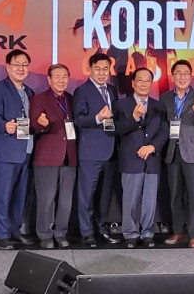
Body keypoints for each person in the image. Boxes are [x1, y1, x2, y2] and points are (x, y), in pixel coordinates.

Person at [0, 49, 36, 250]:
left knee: (20, 196)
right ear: (8, 67)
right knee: (3, 195)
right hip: (5, 151)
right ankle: (1, 235)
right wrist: (3, 126)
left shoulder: (29, 92)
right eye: (17, 64)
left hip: (26, 150)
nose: (21, 68)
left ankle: (15, 231)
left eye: (25, 65)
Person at [114, 68, 169, 248]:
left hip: (152, 160)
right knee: (130, 199)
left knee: (149, 200)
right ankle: (130, 233)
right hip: (131, 159)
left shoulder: (159, 106)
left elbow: (164, 130)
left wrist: (153, 147)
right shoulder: (121, 105)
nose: (144, 84)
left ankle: (147, 233)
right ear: (133, 83)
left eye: (147, 81)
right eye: (140, 80)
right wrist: (134, 118)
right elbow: (118, 130)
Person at [160, 60, 194, 248]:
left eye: (185, 73)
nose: (182, 77)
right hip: (172, 151)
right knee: (175, 195)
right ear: (172, 76)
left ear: (191, 76)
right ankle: (179, 231)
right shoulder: (165, 98)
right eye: (178, 73)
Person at [73, 53, 122, 247]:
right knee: (87, 194)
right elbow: (79, 119)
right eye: (98, 69)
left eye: (105, 69)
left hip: (111, 151)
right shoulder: (82, 91)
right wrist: (98, 118)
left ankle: (102, 229)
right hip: (90, 152)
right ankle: (87, 233)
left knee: (104, 195)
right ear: (90, 69)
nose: (102, 73)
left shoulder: (112, 90)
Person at [29, 64, 78, 249]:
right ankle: (44, 234)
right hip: (47, 157)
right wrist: (41, 124)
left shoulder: (71, 99)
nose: (61, 80)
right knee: (46, 199)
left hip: (69, 155)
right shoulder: (39, 99)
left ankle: (60, 232)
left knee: (66, 199)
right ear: (49, 80)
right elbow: (33, 126)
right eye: (57, 77)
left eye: (64, 76)